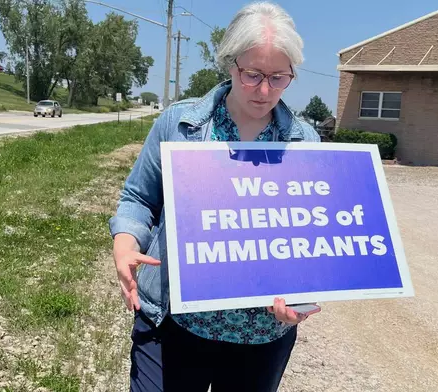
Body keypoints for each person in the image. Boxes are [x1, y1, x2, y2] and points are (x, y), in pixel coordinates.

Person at [109, 2, 321, 391]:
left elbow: (307, 238)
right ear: (229, 63)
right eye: (252, 74)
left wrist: (301, 300)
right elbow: (138, 198)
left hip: (259, 338)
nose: (263, 90)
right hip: (174, 325)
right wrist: (125, 243)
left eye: (278, 77)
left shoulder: (305, 142)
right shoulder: (180, 124)